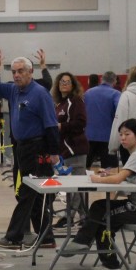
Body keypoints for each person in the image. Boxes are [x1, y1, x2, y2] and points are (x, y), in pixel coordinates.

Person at [0, 49, 60, 251]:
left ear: (30, 72)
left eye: (20, 71)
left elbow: (51, 124)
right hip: (21, 148)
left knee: (27, 193)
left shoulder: (40, 94)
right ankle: (46, 237)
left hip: (37, 148)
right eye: (14, 72)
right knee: (33, 195)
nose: (16, 75)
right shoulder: (13, 90)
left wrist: (54, 152)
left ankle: (14, 237)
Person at [58, 119, 136, 270]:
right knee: (99, 205)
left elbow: (118, 180)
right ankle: (82, 241)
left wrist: (97, 179)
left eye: (127, 134)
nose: (123, 138)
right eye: (121, 135)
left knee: (104, 219)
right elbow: (125, 176)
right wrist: (110, 175)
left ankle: (110, 264)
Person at [52, 72, 89, 223]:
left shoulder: (76, 101)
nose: (64, 84)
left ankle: (70, 217)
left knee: (77, 186)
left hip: (76, 149)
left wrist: (61, 126)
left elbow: (81, 122)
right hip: (65, 151)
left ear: (73, 85)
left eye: (67, 82)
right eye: (62, 81)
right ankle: (84, 217)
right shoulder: (59, 104)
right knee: (74, 186)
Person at [83, 71, 120, 168]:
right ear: (115, 81)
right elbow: (119, 112)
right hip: (107, 137)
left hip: (89, 136)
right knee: (110, 170)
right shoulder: (116, 94)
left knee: (83, 168)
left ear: (101, 79)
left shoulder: (87, 93)